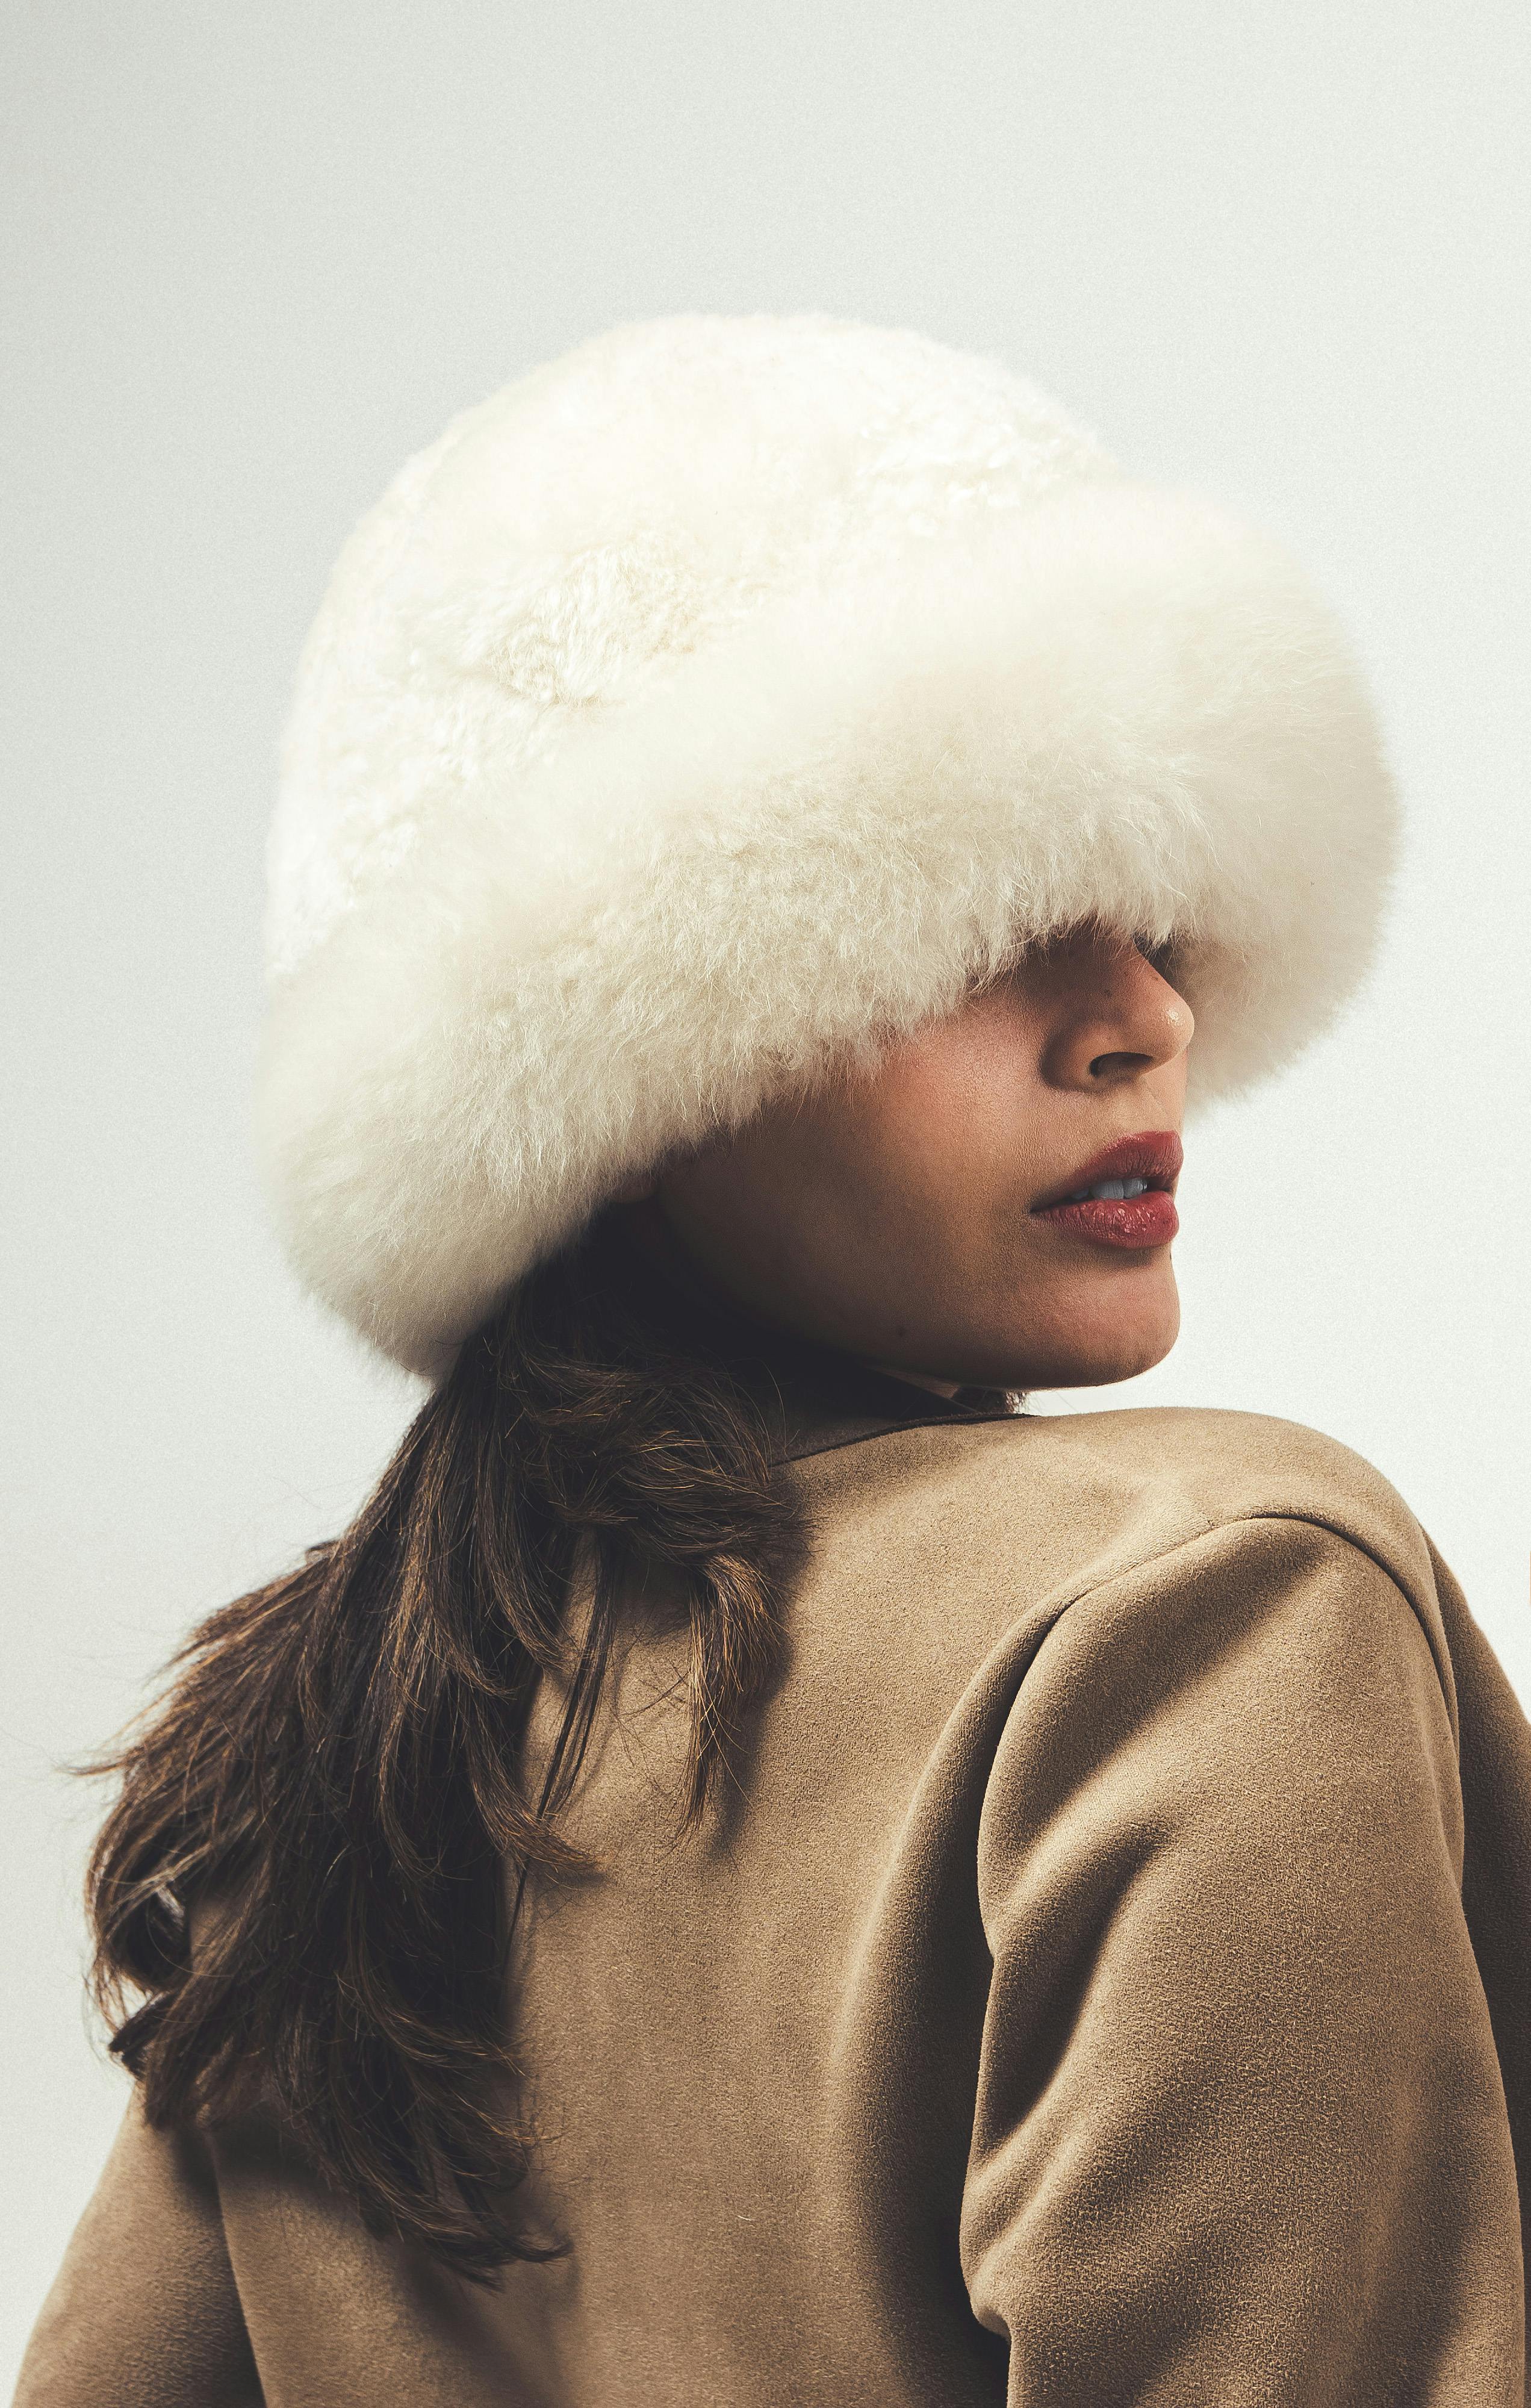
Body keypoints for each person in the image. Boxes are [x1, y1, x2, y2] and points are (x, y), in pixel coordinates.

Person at [17, 316, 1529, 2406]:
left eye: (1155, 909)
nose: (1145, 1017)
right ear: (622, 1059)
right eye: (979, 918)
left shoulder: (349, 1750)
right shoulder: (1200, 1610)